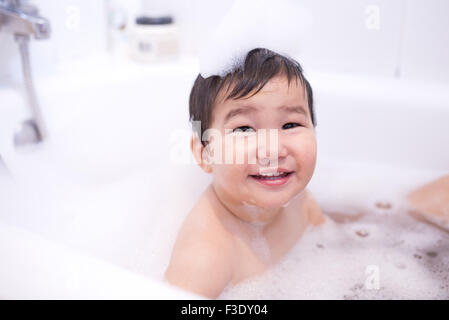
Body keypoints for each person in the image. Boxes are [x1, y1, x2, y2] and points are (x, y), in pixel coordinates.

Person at [164, 48, 326, 298]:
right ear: (205, 153)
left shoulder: (299, 201)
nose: (273, 150)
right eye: (244, 129)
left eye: (290, 124)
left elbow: (332, 238)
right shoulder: (205, 256)